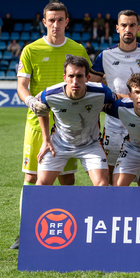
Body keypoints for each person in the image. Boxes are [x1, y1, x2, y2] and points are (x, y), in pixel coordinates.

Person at [12, 2, 91, 250]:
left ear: (67, 21)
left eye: (60, 20)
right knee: (32, 176)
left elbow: (89, 81)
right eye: (51, 20)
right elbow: (22, 85)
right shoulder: (31, 50)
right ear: (44, 22)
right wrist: (30, 101)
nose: (55, 25)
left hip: (69, 127)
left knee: (67, 179)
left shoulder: (77, 49)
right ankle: (26, 231)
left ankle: (70, 229)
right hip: (37, 125)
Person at [90, 10, 140, 186]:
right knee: (109, 174)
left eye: (132, 25)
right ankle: (111, 211)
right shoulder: (105, 56)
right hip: (114, 124)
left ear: (138, 28)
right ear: (117, 28)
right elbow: (91, 83)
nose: (127, 29)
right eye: (124, 25)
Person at [36, 56, 115, 187]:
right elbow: (41, 110)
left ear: (87, 78)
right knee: (41, 185)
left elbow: (116, 100)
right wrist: (46, 140)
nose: (75, 81)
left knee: (102, 185)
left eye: (79, 76)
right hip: (59, 144)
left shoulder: (101, 92)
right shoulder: (50, 94)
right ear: (64, 77)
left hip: (90, 144)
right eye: (71, 76)